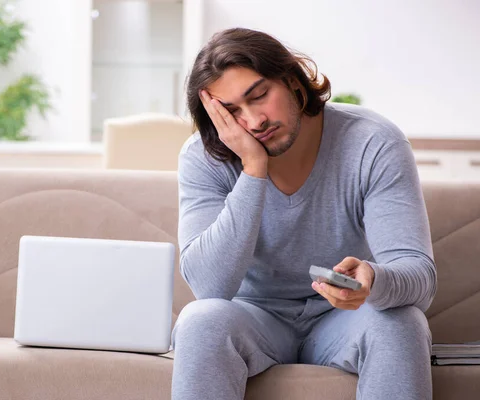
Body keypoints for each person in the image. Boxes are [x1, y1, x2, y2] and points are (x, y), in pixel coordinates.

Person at [171, 27, 436, 400]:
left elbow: (419, 277)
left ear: (293, 81)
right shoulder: (204, 156)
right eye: (231, 112)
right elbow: (209, 288)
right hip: (254, 318)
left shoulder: (373, 142)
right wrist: (252, 167)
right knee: (200, 321)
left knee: (402, 322)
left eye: (260, 95)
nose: (253, 121)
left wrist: (373, 280)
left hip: (344, 317)